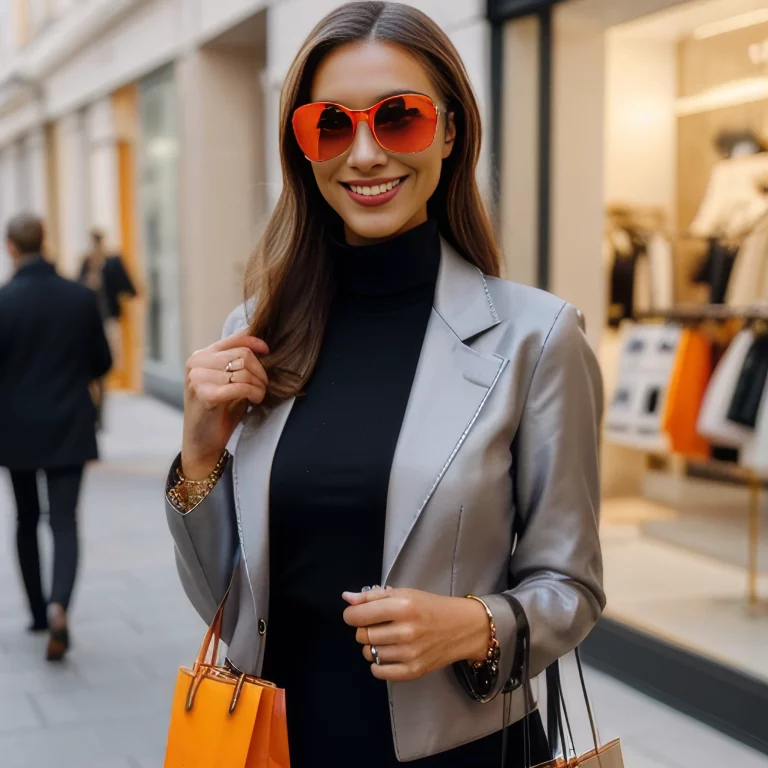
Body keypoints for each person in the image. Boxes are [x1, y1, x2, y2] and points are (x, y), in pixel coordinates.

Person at [165, 3, 604, 766]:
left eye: (399, 118)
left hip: (462, 751)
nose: (365, 154)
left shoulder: (536, 339)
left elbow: (573, 587)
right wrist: (200, 457)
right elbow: (229, 611)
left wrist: (474, 625)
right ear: (302, 147)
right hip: (279, 746)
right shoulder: (260, 332)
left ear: (450, 131)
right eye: (331, 126)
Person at [0, 213, 112, 661]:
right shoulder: (79, 297)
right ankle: (59, 606)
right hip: (69, 423)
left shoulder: (3, 302)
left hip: (15, 429)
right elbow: (102, 362)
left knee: (26, 518)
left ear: (11, 246)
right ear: (43, 241)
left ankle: (37, 613)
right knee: (64, 520)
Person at [79, 228, 137, 421]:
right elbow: (77, 287)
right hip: (89, 320)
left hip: (109, 318)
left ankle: (100, 408)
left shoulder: (112, 262)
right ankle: (95, 405)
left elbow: (129, 288)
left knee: (105, 363)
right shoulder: (86, 262)